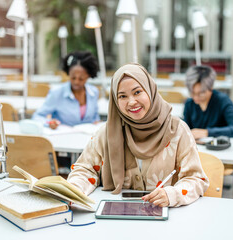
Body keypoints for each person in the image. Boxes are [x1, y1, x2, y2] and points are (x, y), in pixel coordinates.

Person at [68, 63, 209, 207]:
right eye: (122, 96)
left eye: (137, 92)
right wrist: (74, 189)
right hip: (116, 218)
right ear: (116, 101)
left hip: (165, 218)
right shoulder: (107, 132)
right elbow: (85, 169)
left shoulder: (177, 130)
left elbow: (196, 178)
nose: (131, 102)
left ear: (150, 90)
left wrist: (172, 194)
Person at [32, 51, 100, 129]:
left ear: (88, 76)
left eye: (81, 79)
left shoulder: (94, 92)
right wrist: (49, 123)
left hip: (88, 138)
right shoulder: (57, 93)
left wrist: (97, 122)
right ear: (68, 74)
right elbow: (37, 116)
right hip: (63, 137)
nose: (76, 82)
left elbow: (95, 117)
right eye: (73, 78)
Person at [183, 65, 233, 139]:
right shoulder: (189, 103)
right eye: (192, 92)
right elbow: (186, 130)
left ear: (211, 87)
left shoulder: (222, 101)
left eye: (201, 93)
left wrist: (207, 132)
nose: (195, 97)